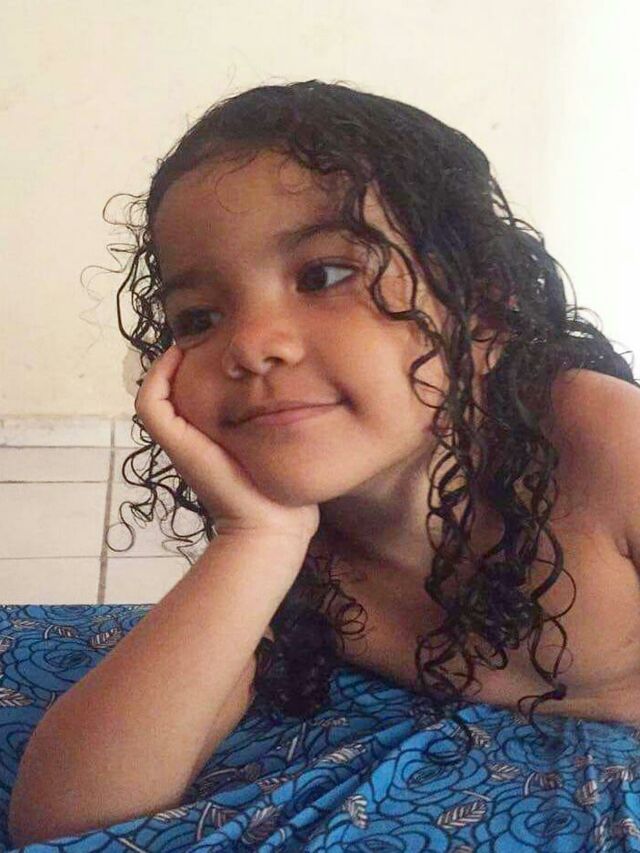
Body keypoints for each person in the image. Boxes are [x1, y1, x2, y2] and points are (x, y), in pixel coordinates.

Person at [9, 79, 640, 848]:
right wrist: (256, 539)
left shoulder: (602, 442)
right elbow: (64, 818)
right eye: (199, 318)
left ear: (484, 306)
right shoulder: (296, 550)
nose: (251, 344)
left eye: (325, 275)